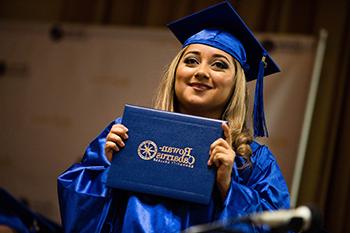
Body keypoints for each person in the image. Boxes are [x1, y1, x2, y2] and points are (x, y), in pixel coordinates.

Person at [57, 1, 290, 232]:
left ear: (236, 85)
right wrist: (107, 168)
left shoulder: (254, 161)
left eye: (219, 65)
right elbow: (76, 217)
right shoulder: (128, 133)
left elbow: (280, 227)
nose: (201, 72)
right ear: (175, 72)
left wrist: (229, 187)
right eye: (191, 61)